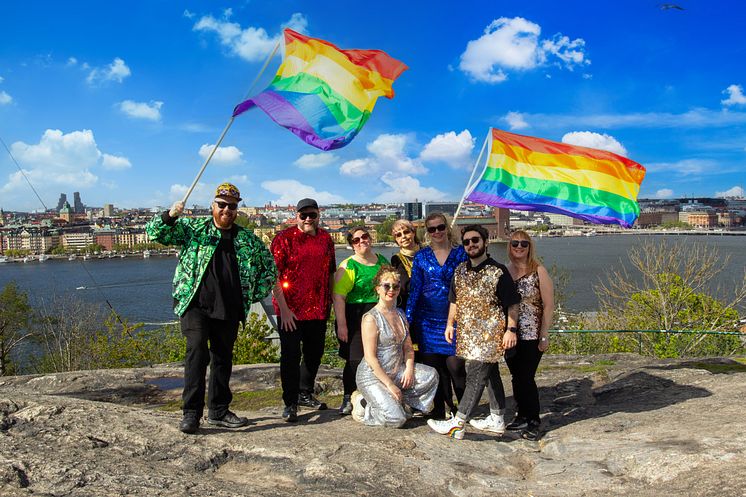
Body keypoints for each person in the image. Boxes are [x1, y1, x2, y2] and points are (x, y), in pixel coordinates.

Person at [145, 183, 277, 434]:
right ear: (213, 206)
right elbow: (155, 233)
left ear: (237, 209)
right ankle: (191, 413)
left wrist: (249, 295)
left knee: (222, 358)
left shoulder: (247, 239)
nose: (227, 209)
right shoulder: (194, 229)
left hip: (229, 307)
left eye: (232, 206)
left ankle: (218, 411)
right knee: (196, 352)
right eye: (222, 204)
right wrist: (170, 215)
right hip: (195, 303)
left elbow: (268, 269)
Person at [427, 224, 521, 440]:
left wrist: (511, 329)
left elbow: (513, 304)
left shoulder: (498, 271)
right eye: (467, 241)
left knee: (476, 375)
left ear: (485, 242)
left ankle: (458, 423)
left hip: (491, 335)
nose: (471, 245)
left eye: (475, 240)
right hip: (468, 335)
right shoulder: (460, 271)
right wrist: (450, 324)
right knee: (491, 374)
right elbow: (455, 301)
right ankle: (498, 418)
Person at [270, 198, 336, 422]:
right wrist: (285, 310)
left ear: (318, 215)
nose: (308, 219)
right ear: (296, 215)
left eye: (312, 215)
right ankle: (290, 402)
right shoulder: (283, 239)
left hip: (318, 307)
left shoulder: (326, 239)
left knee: (314, 353)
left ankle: (304, 392)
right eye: (303, 215)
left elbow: (330, 273)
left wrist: (332, 303)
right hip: (290, 310)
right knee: (290, 355)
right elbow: (274, 276)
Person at [351, 266, 438, 427]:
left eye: (395, 286)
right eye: (386, 286)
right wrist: (390, 385)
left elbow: (408, 348)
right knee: (396, 420)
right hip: (373, 376)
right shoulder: (371, 318)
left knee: (431, 375)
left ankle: (396, 402)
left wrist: (409, 368)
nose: (391, 290)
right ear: (378, 288)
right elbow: (370, 358)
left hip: (396, 370)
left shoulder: (400, 314)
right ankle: (364, 404)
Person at [406, 212, 467, 418]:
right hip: (426, 321)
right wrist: (408, 320)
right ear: (427, 232)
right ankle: (441, 410)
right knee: (436, 369)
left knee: (456, 366)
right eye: (432, 229)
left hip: (454, 319)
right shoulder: (421, 256)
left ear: (447, 228)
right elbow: (415, 289)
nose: (437, 232)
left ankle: (465, 410)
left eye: (440, 227)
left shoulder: (461, 253)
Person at [333, 226, 389, 415]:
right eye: (355, 240)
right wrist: (342, 324)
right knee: (354, 359)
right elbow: (338, 296)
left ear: (370, 238)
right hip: (353, 316)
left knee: (379, 358)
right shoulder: (348, 265)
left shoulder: (382, 261)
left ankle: (375, 396)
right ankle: (349, 396)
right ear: (352, 245)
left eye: (364, 237)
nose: (361, 241)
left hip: (377, 315)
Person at [505, 230, 554, 441]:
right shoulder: (505, 271)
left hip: (533, 333)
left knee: (526, 377)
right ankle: (521, 414)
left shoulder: (538, 271)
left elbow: (549, 305)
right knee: (516, 377)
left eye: (523, 244)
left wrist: (544, 333)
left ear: (529, 247)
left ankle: (534, 419)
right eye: (515, 243)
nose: (519, 247)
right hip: (511, 333)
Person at [389, 219, 421, 312]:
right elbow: (405, 286)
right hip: (412, 308)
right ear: (396, 240)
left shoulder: (428, 252)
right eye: (398, 235)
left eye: (406, 232)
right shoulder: (396, 260)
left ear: (413, 232)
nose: (403, 237)